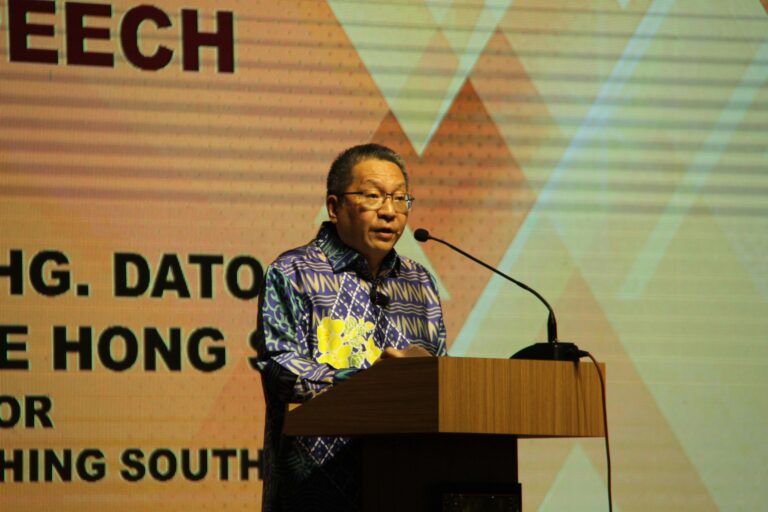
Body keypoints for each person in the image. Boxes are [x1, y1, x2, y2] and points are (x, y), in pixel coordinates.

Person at [251, 143, 447, 512]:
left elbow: (440, 374)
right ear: (334, 206)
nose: (389, 211)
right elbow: (281, 368)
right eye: (373, 196)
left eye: (400, 198)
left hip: (406, 482)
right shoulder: (293, 272)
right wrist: (367, 382)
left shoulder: (419, 281)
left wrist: (430, 376)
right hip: (318, 491)